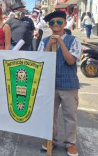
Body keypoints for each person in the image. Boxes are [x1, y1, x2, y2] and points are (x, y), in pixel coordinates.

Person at [38, 10, 82, 156]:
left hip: (68, 83)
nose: (55, 24)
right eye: (52, 22)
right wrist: (49, 44)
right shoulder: (44, 41)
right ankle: (51, 139)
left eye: (59, 22)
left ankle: (71, 143)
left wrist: (61, 42)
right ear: (49, 26)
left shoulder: (73, 40)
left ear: (64, 23)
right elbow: (41, 61)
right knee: (50, 114)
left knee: (70, 115)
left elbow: (70, 60)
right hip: (50, 84)